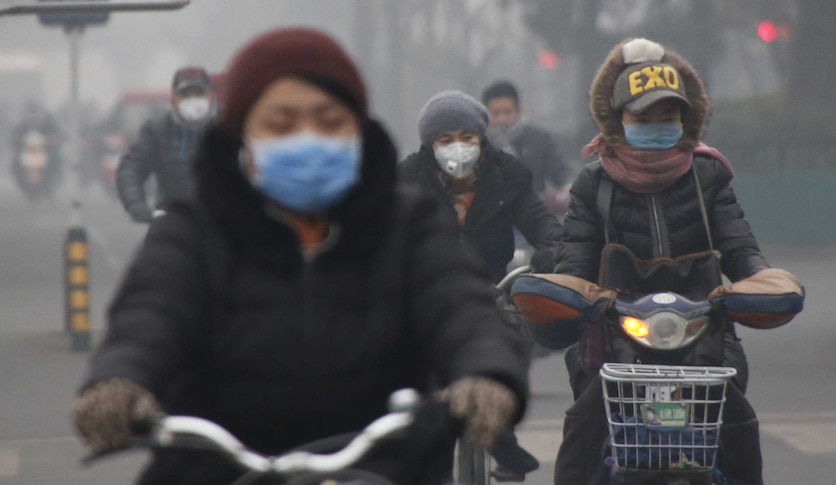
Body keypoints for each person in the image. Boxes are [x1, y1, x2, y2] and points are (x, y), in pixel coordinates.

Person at [71, 28, 528, 485]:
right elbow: (148, 316)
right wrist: (118, 380)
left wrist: (485, 373)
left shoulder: (409, 225)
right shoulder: (192, 230)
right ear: (241, 139)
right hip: (217, 469)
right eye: (281, 124)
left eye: (329, 121)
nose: (307, 139)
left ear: (358, 132)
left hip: (383, 468)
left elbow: (462, 309)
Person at [551, 38, 782, 484]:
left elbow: (740, 247)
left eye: (668, 115)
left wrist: (764, 281)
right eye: (644, 117)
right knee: (586, 422)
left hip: (705, 336)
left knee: (736, 422)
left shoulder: (709, 174)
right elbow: (572, 265)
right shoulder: (592, 183)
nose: (657, 125)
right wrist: (562, 298)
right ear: (618, 119)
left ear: (686, 117)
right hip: (615, 341)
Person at [399, 90, 562, 482]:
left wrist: (552, 254)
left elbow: (543, 225)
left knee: (500, 350)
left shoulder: (508, 175)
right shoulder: (406, 180)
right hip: (426, 292)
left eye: (466, 137)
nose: (458, 147)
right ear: (429, 144)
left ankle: (496, 428)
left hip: (489, 290)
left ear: (480, 138)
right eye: (445, 139)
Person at [115, 66, 217, 223]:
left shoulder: (226, 129)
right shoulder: (158, 131)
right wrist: (137, 206)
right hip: (170, 220)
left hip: (218, 223)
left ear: (210, 97)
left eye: (199, 94)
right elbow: (131, 169)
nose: (193, 100)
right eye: (186, 95)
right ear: (174, 99)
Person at [481, 80, 572, 217]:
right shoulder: (479, 142)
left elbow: (559, 170)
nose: (501, 119)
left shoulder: (538, 139)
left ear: (518, 110)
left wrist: (568, 188)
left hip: (533, 216)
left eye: (507, 112)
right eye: (495, 113)